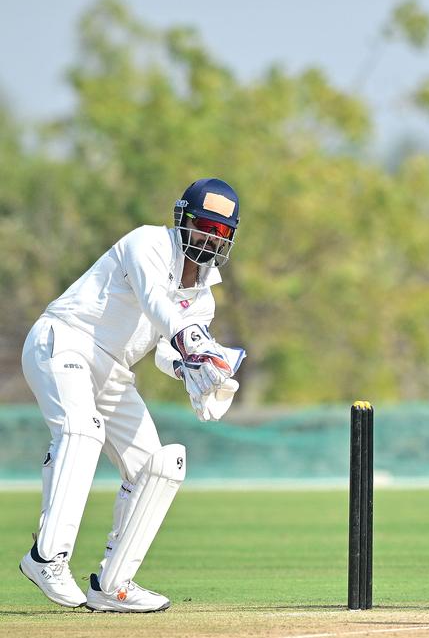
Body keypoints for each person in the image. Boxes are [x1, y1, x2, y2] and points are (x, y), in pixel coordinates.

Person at [19, 178, 245, 612]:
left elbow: (164, 349)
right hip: (65, 340)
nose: (209, 238)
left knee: (158, 467)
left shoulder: (203, 299)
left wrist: (191, 367)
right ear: (183, 221)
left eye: (220, 233)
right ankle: (46, 557)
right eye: (203, 226)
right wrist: (192, 340)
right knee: (83, 431)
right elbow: (156, 302)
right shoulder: (148, 243)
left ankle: (113, 584)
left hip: (112, 371)